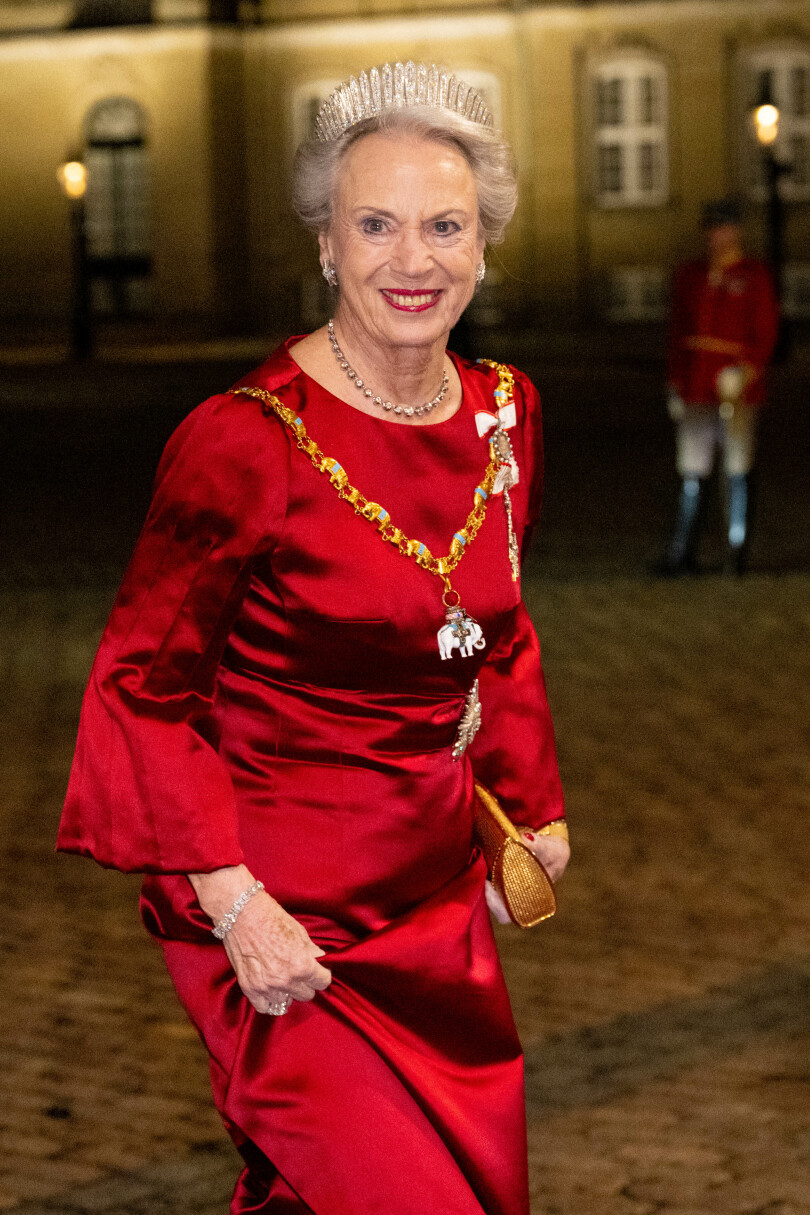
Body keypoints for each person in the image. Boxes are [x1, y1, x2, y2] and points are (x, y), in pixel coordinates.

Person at [57, 60, 568, 1215]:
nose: (415, 259)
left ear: (484, 243)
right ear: (326, 246)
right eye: (375, 225)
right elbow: (143, 687)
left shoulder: (506, 413)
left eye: (446, 225)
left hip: (435, 911)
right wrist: (233, 905)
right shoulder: (246, 443)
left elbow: (494, 625)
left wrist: (530, 804)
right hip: (284, 913)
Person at [658, 196, 779, 575]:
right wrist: (675, 383)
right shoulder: (691, 276)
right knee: (692, 469)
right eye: (712, 229)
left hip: (735, 389)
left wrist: (745, 370)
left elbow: (766, 333)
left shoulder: (754, 276)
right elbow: (678, 332)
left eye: (724, 228)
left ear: (736, 231)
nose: (717, 237)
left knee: (737, 466)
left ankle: (735, 552)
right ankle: (682, 551)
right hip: (695, 385)